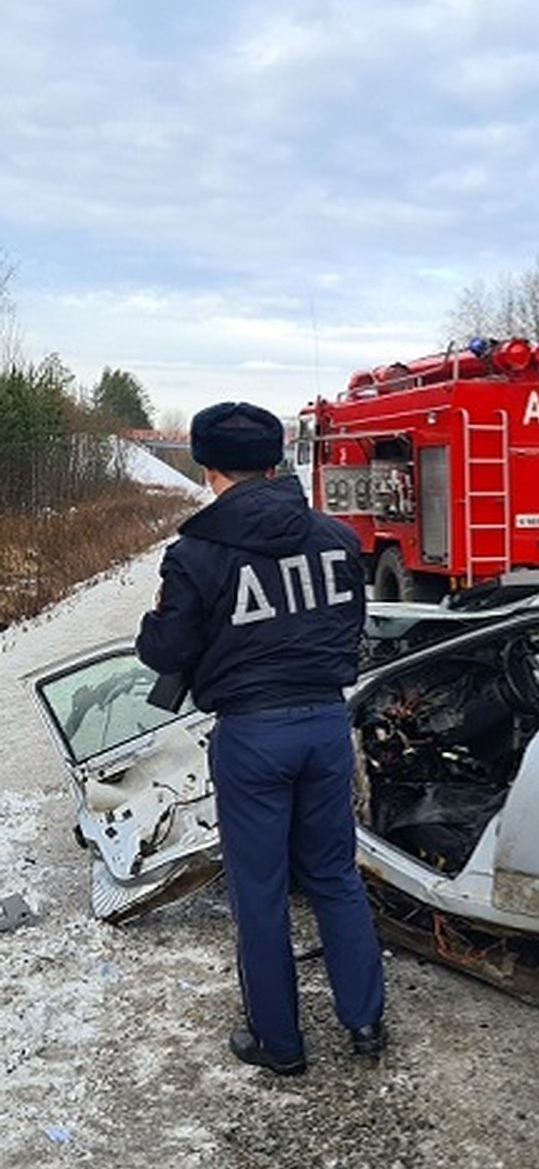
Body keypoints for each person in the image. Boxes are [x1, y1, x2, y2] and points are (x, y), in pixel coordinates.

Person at [136, 401, 386, 1076]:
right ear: (277, 461)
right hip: (327, 726)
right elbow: (349, 630)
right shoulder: (336, 538)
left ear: (206, 464)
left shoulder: (196, 553)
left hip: (252, 736)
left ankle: (279, 1043)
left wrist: (155, 621)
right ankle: (365, 1022)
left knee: (260, 891)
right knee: (335, 875)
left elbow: (165, 651)